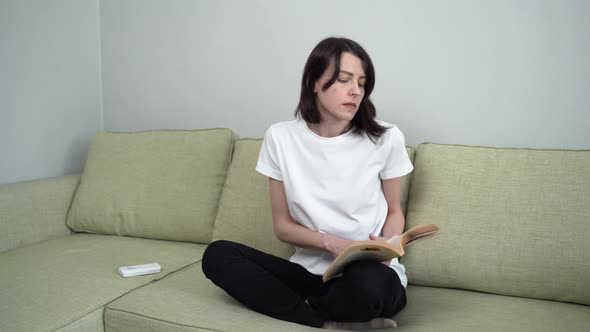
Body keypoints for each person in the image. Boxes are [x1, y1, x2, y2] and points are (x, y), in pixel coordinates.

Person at [202, 37, 413, 330]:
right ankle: (325, 320)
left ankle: (311, 311)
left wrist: (387, 253)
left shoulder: (386, 138)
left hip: (368, 274)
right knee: (218, 255)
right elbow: (283, 227)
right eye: (343, 80)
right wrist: (330, 242)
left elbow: (393, 212)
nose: (355, 91)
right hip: (310, 276)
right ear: (314, 81)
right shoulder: (280, 138)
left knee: (371, 285)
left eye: (362, 83)